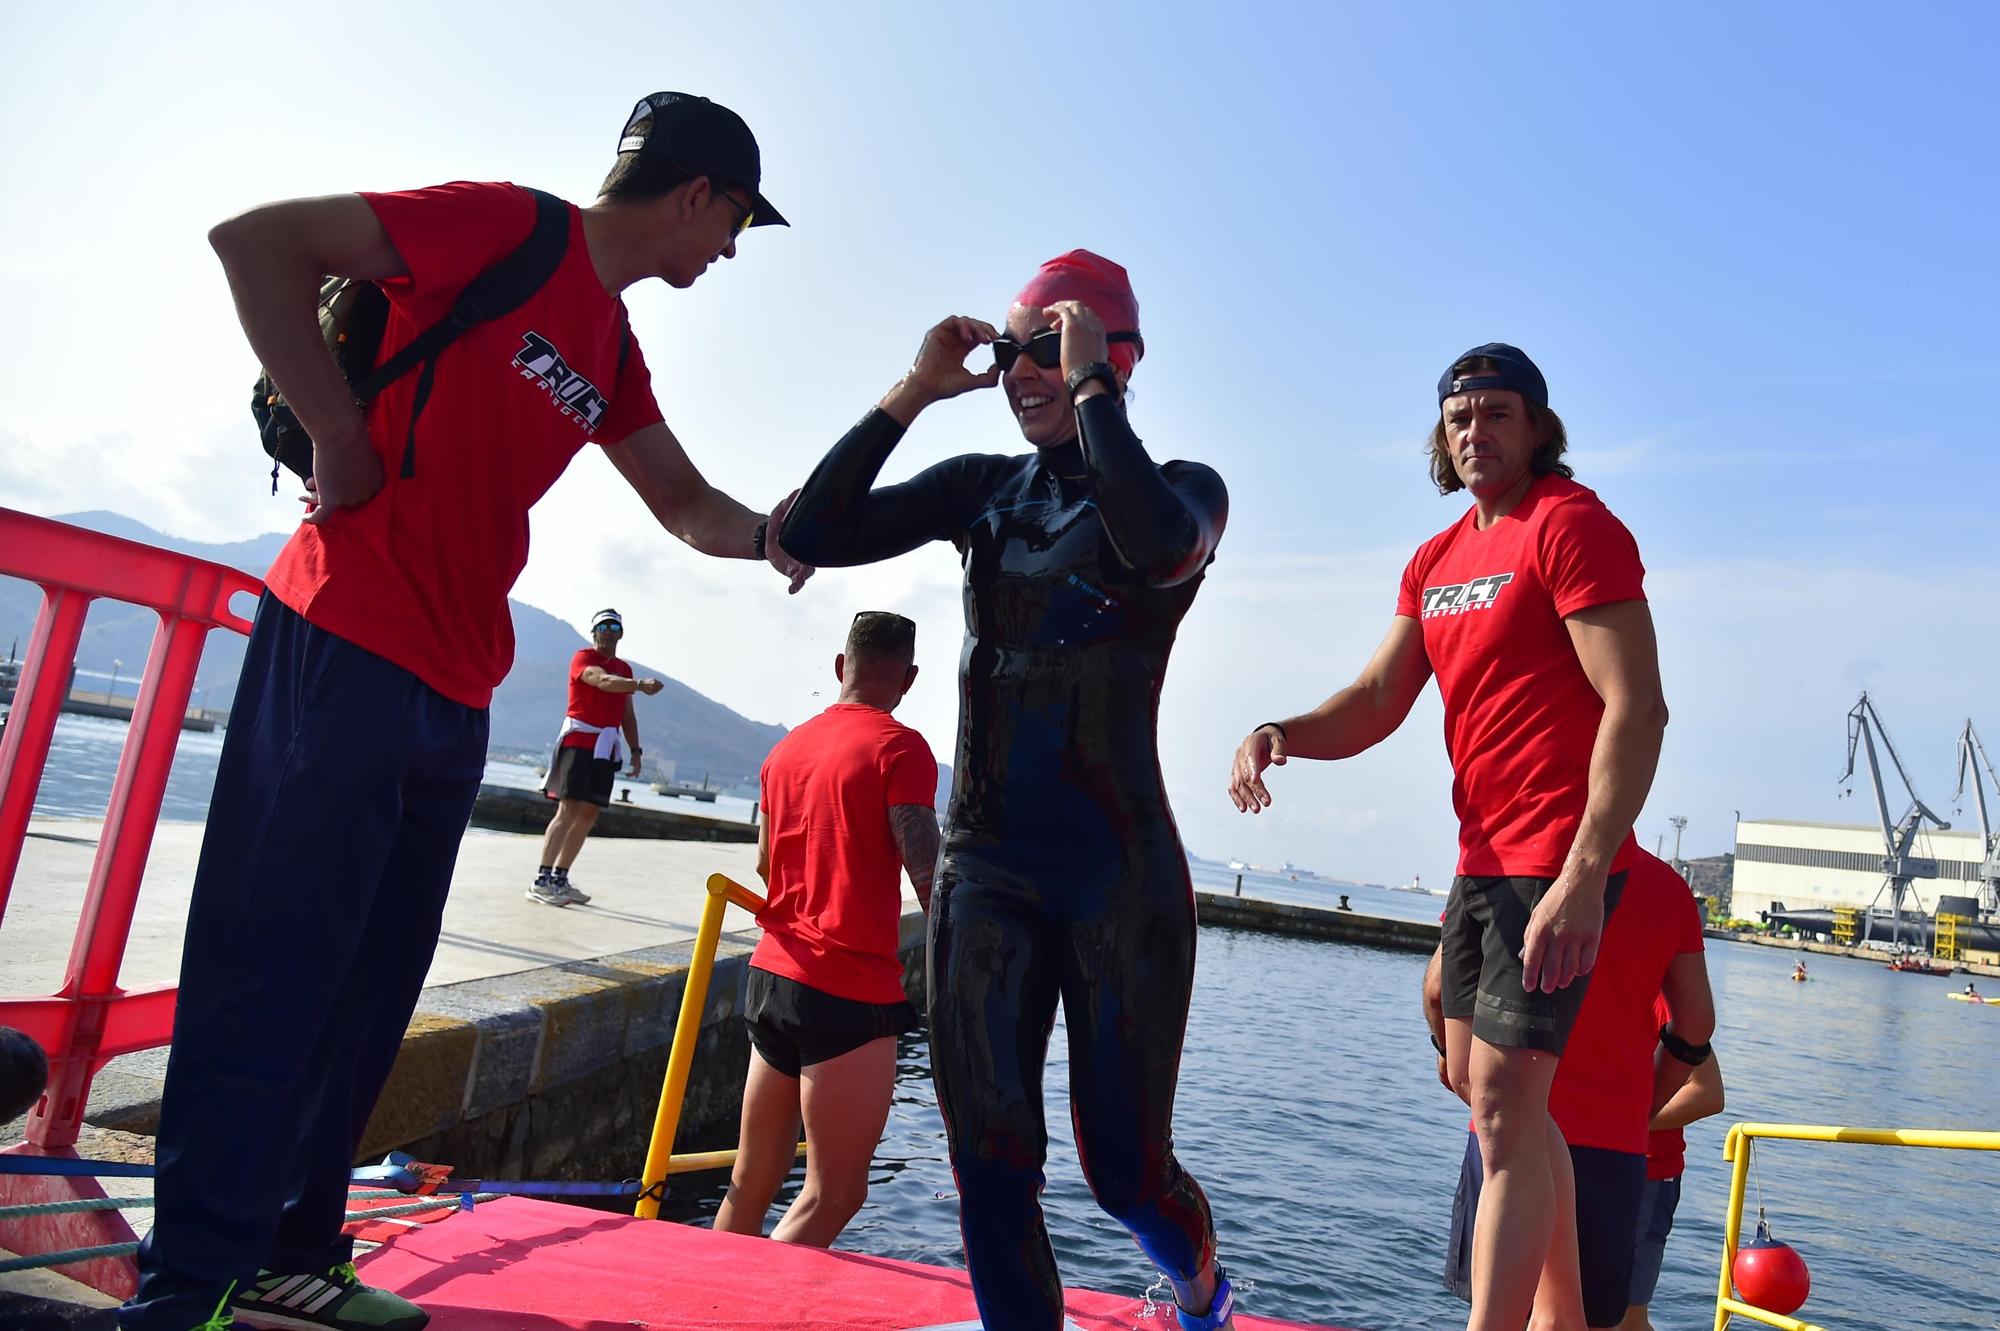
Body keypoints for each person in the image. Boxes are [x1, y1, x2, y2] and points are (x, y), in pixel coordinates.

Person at [127, 93, 813, 1331]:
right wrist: (337, 432)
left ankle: (293, 1246)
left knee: (367, 988)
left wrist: (781, 536)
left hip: (453, 683)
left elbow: (683, 503)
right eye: (733, 226)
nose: (725, 252)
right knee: (268, 965)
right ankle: (189, 1281)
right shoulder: (504, 228)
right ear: (694, 193)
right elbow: (256, 241)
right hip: (342, 635)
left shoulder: (605, 340)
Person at [779, 252, 1236, 1330]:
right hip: (983, 860)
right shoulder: (982, 490)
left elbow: (1161, 552)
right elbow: (808, 533)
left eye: (1049, 344)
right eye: (1008, 348)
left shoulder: (1183, 488)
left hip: (1117, 872)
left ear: (1115, 356)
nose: (1020, 368)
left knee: (1125, 1172)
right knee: (987, 1157)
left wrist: (1091, 395)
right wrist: (913, 389)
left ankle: (1201, 1290)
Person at [1232, 343, 1668, 1331]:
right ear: (1441, 433)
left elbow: (1635, 706)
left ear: (1538, 429)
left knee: (1510, 1109)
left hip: (1553, 860)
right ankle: (1567, 1317)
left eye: (1498, 413)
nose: (1476, 431)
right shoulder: (1433, 560)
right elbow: (1380, 695)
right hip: (1479, 865)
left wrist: (1582, 875)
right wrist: (1280, 731)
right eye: (1460, 416)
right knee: (1495, 1102)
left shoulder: (1571, 525)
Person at [711, 611, 939, 1247]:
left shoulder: (785, 749)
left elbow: (761, 862)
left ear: (841, 667)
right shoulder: (901, 748)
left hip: (771, 975)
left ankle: (702, 1305)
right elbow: (927, 874)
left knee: (750, 1178)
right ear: (909, 678)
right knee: (835, 1191)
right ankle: (747, 1320)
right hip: (849, 986)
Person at [1428, 850, 1715, 1330]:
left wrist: (1450, 1054)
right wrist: (1638, 1110)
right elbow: (1696, 1026)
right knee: (1578, 1319)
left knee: (1497, 1311)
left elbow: (1442, 984)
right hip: (1614, 1148)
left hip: (1507, 1133)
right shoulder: (1667, 887)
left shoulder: (1509, 856)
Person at [532, 607, 664, 906]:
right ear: (594, 632)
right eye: (603, 627)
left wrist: (636, 751)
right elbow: (601, 681)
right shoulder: (584, 658)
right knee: (568, 809)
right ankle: (541, 879)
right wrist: (640, 685)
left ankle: (560, 877)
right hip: (579, 742)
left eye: (614, 628)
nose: (608, 632)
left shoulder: (625, 669)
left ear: (621, 634)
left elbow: (627, 714)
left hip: (605, 748)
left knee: (589, 812)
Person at [1619, 997, 1726, 1331]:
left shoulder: (1661, 997)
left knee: (1628, 1318)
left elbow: (1708, 1093)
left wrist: (1624, 1123)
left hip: (1648, 1176)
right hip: (1584, 1164)